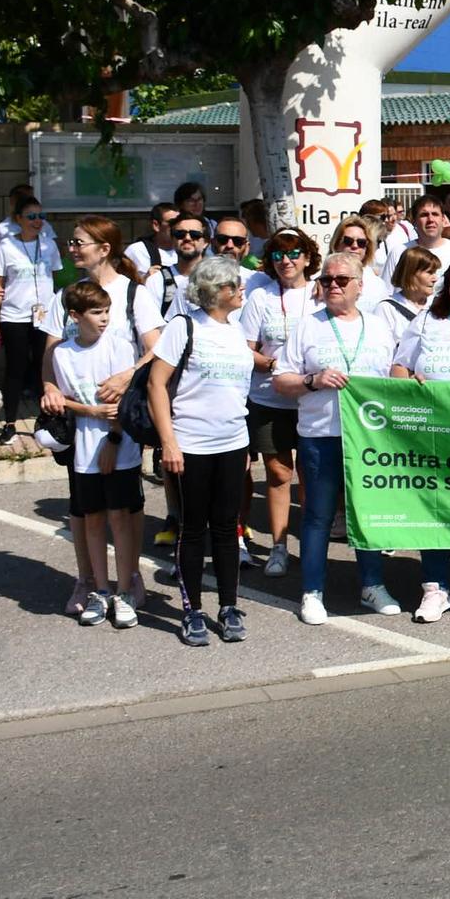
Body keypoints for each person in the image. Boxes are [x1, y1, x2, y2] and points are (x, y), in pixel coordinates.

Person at [275, 250, 415, 622]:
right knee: (318, 516)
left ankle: (372, 585)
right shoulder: (308, 325)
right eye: (326, 280)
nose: (332, 285)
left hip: (370, 439)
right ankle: (312, 591)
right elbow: (281, 380)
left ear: (359, 285)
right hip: (321, 434)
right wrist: (312, 380)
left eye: (341, 280)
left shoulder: (379, 326)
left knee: (367, 514)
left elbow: (395, 376)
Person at [38, 215, 165, 611]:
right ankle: (88, 580)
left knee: (127, 503)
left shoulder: (133, 294)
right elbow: (52, 349)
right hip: (81, 417)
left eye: (79, 242)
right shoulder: (69, 296)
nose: (72, 248)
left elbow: (157, 348)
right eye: (72, 243)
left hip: (121, 415)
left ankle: (130, 577)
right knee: (84, 503)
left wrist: (128, 377)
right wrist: (48, 387)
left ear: (104, 248)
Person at [150, 256, 256, 645]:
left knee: (228, 529)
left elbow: (237, 391)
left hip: (232, 443)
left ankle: (228, 606)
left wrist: (242, 440)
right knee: (192, 529)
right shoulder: (185, 326)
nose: (242, 290)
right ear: (217, 291)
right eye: (236, 285)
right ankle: (192, 610)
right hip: (190, 445)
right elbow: (156, 385)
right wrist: (169, 442)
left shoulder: (236, 328)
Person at [50, 279, 144, 628]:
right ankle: (100, 590)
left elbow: (129, 397)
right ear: (75, 316)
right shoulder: (63, 353)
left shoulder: (119, 346)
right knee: (92, 519)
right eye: (96, 312)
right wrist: (88, 412)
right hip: (84, 450)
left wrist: (114, 440)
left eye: (106, 311)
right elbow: (64, 397)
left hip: (120, 449)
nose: (104, 318)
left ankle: (124, 591)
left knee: (119, 517)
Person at [238, 229, 320, 576]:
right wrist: (275, 365)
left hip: (313, 399)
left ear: (307, 258)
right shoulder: (261, 298)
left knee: (312, 475)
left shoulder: (319, 294)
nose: (286, 261)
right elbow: (244, 348)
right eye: (277, 255)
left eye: (294, 253)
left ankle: (312, 547)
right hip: (269, 397)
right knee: (277, 471)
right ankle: (278, 546)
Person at [0, 195, 62, 444]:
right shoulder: (6, 246)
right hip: (13, 315)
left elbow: (56, 278)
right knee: (16, 370)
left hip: (44, 316)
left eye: (41, 216)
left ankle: (47, 417)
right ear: (18, 219)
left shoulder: (49, 245)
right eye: (31, 216)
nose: (37, 221)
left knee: (45, 367)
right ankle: (9, 422)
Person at [384, 195, 450, 280]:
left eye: (435, 214)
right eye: (424, 215)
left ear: (443, 219)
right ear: (414, 221)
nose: (430, 219)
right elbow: (388, 291)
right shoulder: (399, 253)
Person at [378, 246, 440, 347]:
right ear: (411, 274)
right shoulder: (387, 309)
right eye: (429, 272)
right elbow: (382, 351)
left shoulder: (438, 304)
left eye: (434, 272)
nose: (435, 278)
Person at [330, 216, 390, 313]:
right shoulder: (321, 283)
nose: (355, 246)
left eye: (361, 243)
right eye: (348, 241)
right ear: (336, 244)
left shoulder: (378, 285)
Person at [123, 203, 180, 281]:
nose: (177, 227)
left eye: (179, 222)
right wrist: (145, 279)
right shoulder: (137, 251)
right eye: (172, 223)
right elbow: (122, 285)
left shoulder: (187, 249)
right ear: (156, 225)